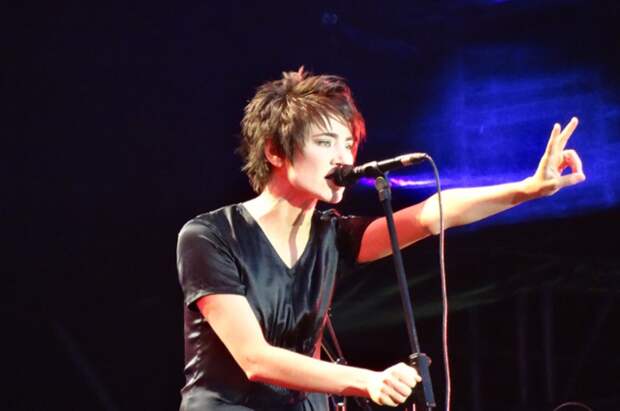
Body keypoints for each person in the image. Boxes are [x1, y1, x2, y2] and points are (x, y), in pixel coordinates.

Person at [176, 68, 585, 411]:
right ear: (275, 152)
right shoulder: (210, 236)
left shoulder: (331, 235)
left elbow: (432, 213)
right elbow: (254, 358)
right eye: (325, 142)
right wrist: (367, 381)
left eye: (348, 144)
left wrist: (527, 189)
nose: (343, 158)